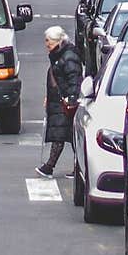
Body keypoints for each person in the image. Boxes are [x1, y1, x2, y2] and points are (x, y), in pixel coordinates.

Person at [36, 25, 82, 177]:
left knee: (60, 134)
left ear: (57, 41)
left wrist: (72, 98)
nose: (46, 43)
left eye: (48, 40)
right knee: (68, 134)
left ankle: (49, 166)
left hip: (65, 101)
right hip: (59, 100)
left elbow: (74, 79)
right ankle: (78, 168)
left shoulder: (67, 56)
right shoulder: (60, 55)